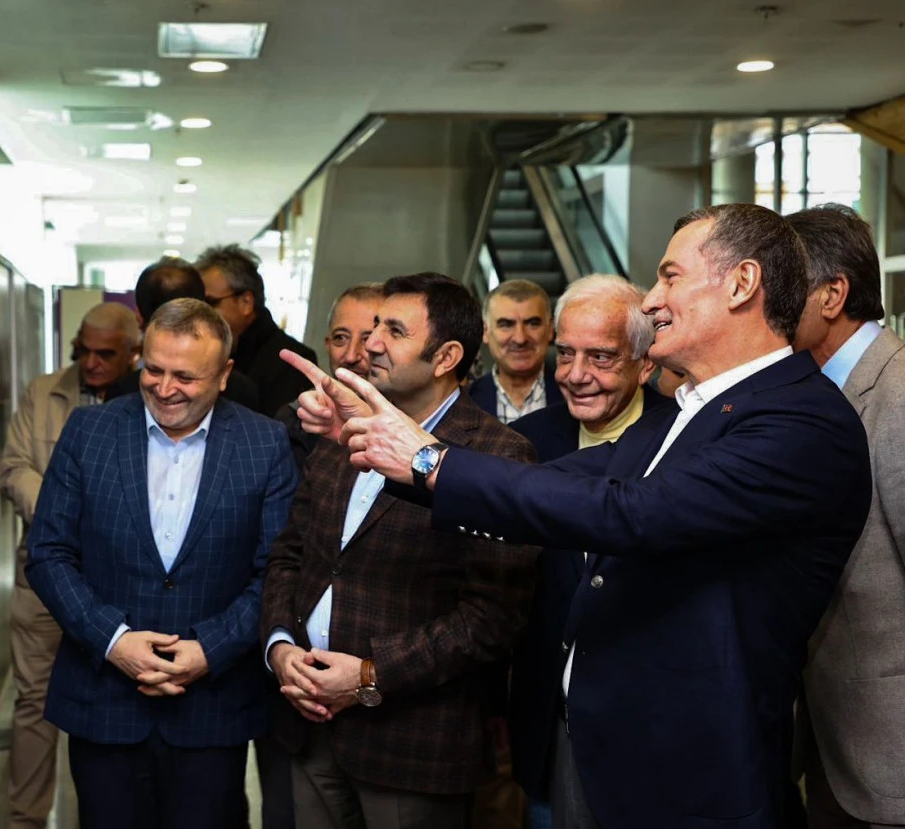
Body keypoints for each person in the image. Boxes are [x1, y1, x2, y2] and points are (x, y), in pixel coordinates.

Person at [282, 202, 873, 829]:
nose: (652, 300)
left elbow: (635, 514)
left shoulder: (801, 421)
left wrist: (429, 460)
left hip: (687, 773)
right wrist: (391, 445)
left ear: (742, 283)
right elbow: (562, 480)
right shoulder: (697, 409)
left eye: (670, 277)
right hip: (598, 749)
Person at [262, 273, 537, 828]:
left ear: (446, 357)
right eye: (372, 328)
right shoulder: (346, 428)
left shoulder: (497, 456)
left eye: (394, 330)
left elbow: (490, 618)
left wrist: (369, 674)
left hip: (411, 746)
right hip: (309, 723)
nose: (371, 344)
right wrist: (281, 647)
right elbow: (292, 554)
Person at [26, 299, 298, 829]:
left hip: (212, 708)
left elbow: (278, 570)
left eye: (185, 377)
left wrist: (209, 650)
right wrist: (114, 640)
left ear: (224, 375)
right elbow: (48, 553)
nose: (165, 388)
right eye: (153, 369)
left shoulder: (264, 443)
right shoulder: (89, 431)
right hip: (103, 702)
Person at [503, 274, 672, 829]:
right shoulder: (524, 442)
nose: (575, 375)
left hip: (651, 723)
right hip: (547, 718)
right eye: (566, 353)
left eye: (600, 357)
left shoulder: (683, 439)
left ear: (645, 364)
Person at [0, 302, 141, 829]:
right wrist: (65, 512)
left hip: (114, 586)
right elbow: (14, 469)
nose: (92, 363)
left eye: (107, 354)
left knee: (112, 705)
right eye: (85, 351)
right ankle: (26, 819)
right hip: (42, 575)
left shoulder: (149, 397)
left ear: (133, 353)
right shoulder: (43, 392)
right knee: (34, 702)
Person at [787, 204, 905, 829]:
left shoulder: (899, 395)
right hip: (834, 743)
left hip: (891, 753)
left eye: (784, 285)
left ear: (832, 295)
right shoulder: (818, 392)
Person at [108, 256, 261, 411]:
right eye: (155, 371)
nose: (164, 391)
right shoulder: (243, 387)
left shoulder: (123, 390)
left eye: (185, 378)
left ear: (139, 317)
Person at [197, 243, 317, 417]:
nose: (201, 312)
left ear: (246, 302)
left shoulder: (293, 362)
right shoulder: (214, 349)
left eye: (210, 302)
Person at [275, 283, 383, 469]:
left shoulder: (411, 425)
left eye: (368, 339)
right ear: (327, 343)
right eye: (340, 337)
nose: (351, 356)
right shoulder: (296, 417)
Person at [469, 279, 559, 424]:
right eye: (506, 325)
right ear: (485, 331)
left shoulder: (574, 398)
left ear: (550, 330)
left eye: (532, 324)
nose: (520, 339)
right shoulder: (464, 403)